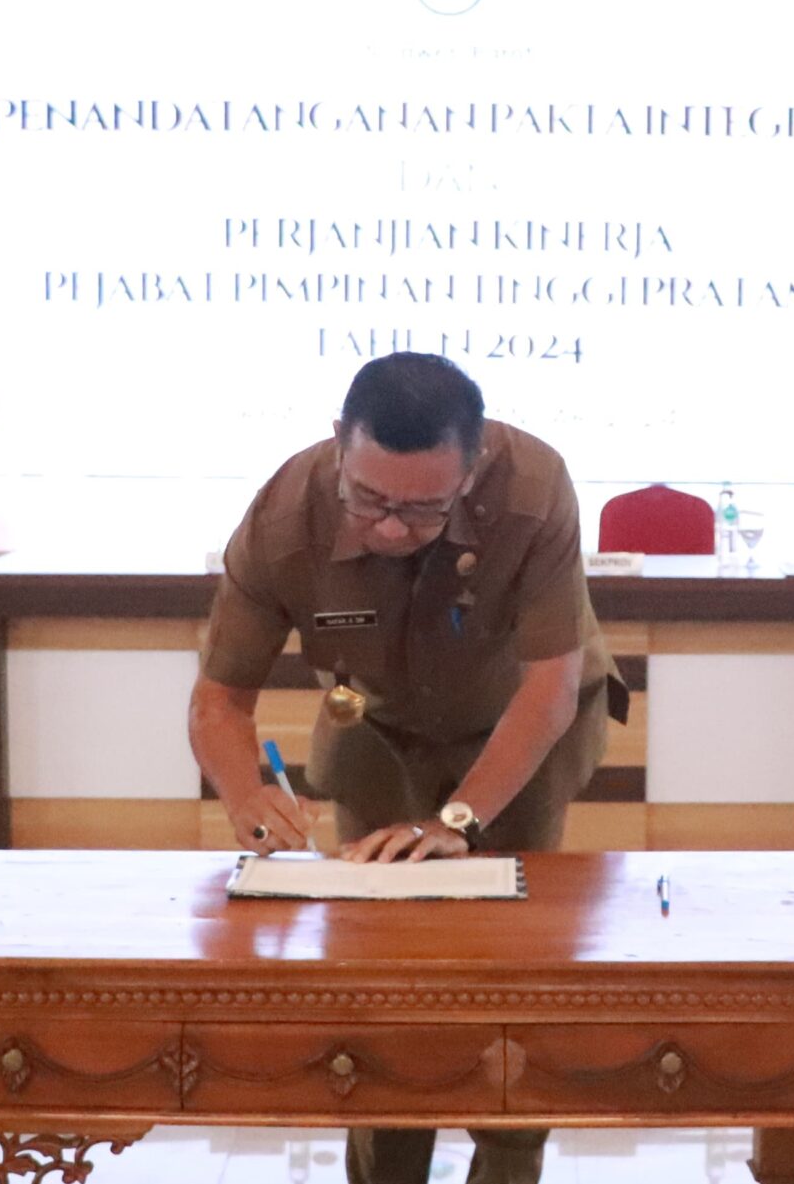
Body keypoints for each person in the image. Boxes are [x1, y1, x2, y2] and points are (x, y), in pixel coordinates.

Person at [189, 351, 624, 1184]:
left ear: (473, 467)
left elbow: (548, 688)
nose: (390, 528)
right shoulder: (284, 516)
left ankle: (506, 1165)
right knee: (379, 968)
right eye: (369, 499)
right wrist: (246, 795)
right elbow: (219, 700)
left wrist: (456, 820)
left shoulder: (533, 487)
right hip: (380, 726)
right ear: (339, 443)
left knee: (512, 968)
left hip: (518, 727)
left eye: (423, 508)